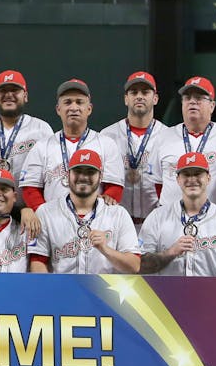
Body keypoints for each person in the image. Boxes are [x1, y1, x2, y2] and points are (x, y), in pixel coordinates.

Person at [20, 79, 125, 214]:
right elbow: (30, 188)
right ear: (58, 109)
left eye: (79, 102)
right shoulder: (42, 146)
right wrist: (45, 215)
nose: (73, 108)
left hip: (92, 222)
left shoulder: (106, 144)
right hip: (53, 222)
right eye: (67, 102)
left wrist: (99, 213)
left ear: (89, 109)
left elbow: (114, 187)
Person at [27, 149, 140, 274]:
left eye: (90, 172)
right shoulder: (46, 212)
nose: (83, 177)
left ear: (100, 177)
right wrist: (51, 291)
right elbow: (38, 261)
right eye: (78, 171)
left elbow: (134, 266)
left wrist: (105, 249)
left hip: (104, 290)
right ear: (67, 174)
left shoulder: (118, 214)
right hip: (61, 289)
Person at [139, 153, 216, 276]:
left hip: (212, 294)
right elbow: (140, 265)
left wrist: (215, 294)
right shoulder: (157, 217)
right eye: (186, 174)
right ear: (178, 180)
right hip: (165, 293)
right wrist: (170, 252)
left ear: (208, 178)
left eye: (197, 174)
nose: (192, 179)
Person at [99, 71, 174, 229]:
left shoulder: (169, 136)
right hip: (116, 223)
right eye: (134, 92)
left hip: (156, 223)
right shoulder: (107, 136)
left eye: (145, 92)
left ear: (155, 98)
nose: (139, 96)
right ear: (126, 99)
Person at [155, 76, 216, 211]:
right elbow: (157, 183)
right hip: (172, 220)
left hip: (215, 220)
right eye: (187, 98)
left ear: (212, 106)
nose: (192, 102)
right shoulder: (163, 137)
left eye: (199, 98)